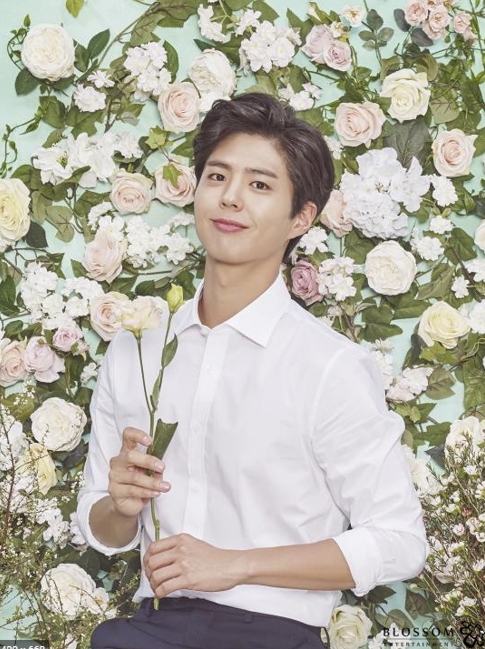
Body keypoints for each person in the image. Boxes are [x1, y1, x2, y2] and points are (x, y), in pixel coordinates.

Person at [78, 93, 427, 649]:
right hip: (149, 628)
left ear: (301, 218)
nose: (231, 197)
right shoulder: (134, 351)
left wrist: (236, 564)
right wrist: (120, 508)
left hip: (273, 634)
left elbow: (399, 541)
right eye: (217, 176)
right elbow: (103, 530)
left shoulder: (329, 366)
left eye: (260, 185)